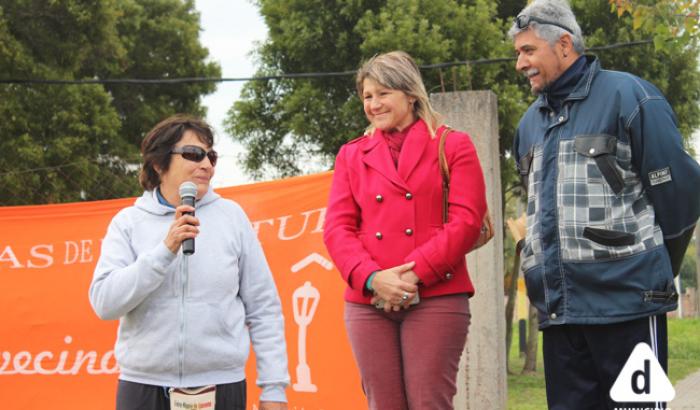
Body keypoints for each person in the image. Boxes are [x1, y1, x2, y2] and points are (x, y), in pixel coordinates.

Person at [508, 1, 700, 409]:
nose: (520, 63)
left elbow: (681, 195)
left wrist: (650, 267)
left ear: (563, 44)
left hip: (627, 307)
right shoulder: (528, 126)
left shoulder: (629, 96)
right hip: (561, 316)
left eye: (528, 51)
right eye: (517, 53)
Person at [323, 51, 488, 409]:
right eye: (367, 96)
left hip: (437, 294)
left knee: (430, 401)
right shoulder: (352, 155)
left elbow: (466, 221)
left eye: (383, 93)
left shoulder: (453, 144)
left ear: (410, 94)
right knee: (383, 403)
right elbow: (337, 228)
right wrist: (372, 278)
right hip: (369, 299)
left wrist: (413, 274)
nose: (374, 104)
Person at [89, 115, 289, 410]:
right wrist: (164, 250)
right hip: (143, 386)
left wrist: (274, 390)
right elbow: (105, 303)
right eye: (194, 154)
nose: (206, 165)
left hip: (221, 384)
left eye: (211, 156)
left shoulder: (232, 217)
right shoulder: (128, 222)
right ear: (158, 164)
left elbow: (263, 308)